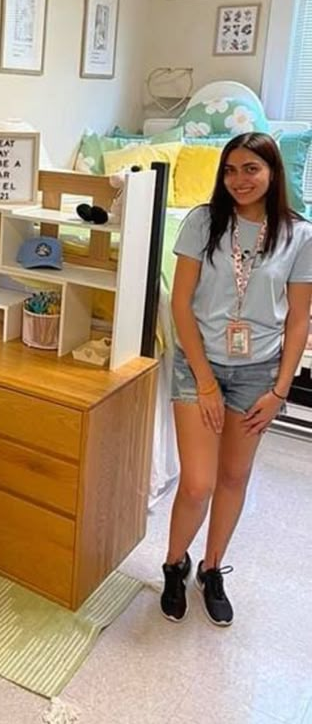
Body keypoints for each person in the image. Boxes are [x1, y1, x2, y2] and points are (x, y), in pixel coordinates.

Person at [161, 132, 312, 627]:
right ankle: (174, 563)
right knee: (198, 483)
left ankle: (210, 569)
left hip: (258, 373)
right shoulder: (202, 222)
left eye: (251, 169)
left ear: (272, 173)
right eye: (230, 170)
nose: (239, 180)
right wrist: (204, 381)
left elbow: (298, 322)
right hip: (198, 363)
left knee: (233, 477)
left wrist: (280, 391)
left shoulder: (298, 234)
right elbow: (180, 304)